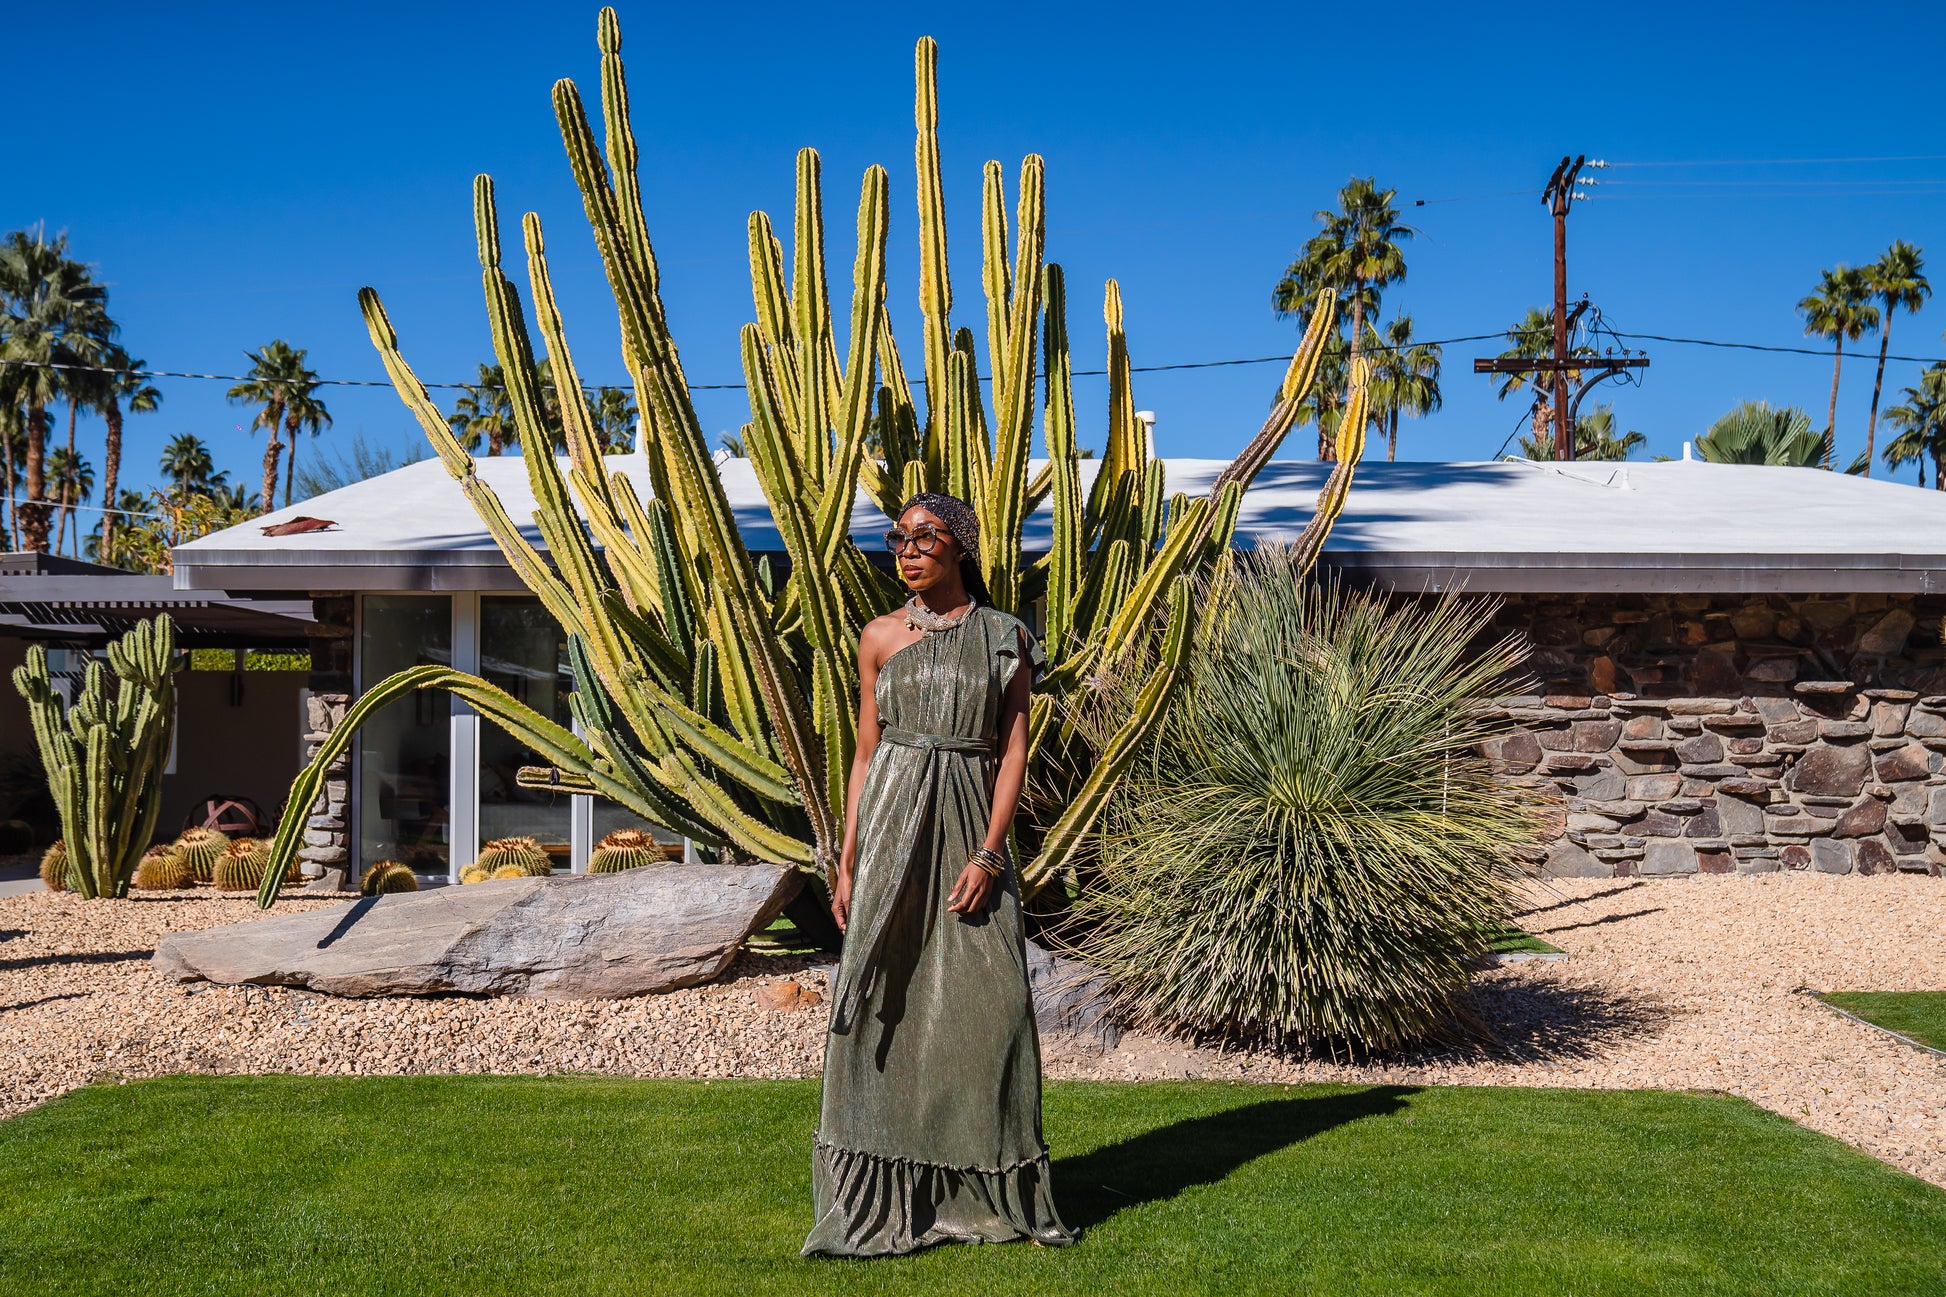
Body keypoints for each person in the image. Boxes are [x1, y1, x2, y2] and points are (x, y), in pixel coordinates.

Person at [802, 492, 1075, 1258]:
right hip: (890, 824)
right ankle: (884, 1192)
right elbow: (864, 752)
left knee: (995, 1011)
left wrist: (992, 851)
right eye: (899, 537)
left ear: (963, 548)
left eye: (926, 536)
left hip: (967, 822)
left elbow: (1012, 747)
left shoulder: (1004, 636)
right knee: (885, 1006)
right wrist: (847, 857)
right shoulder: (880, 637)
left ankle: (983, 1188)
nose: (908, 549)